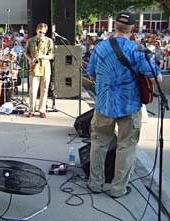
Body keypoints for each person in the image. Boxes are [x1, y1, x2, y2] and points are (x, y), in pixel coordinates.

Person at [86, 12, 163, 198]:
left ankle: (95, 184)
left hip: (104, 104)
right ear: (132, 29)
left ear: (115, 27)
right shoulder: (137, 50)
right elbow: (157, 77)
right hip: (129, 105)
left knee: (98, 144)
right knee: (126, 146)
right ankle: (118, 189)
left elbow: (91, 74)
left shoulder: (100, 47)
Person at [24, 23, 54, 118]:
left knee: (44, 90)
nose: (42, 34)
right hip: (34, 68)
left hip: (45, 68)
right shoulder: (31, 41)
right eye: (40, 32)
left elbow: (52, 55)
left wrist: (42, 56)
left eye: (44, 33)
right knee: (33, 90)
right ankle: (31, 110)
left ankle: (42, 110)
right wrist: (29, 59)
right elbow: (26, 53)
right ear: (37, 30)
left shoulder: (49, 41)